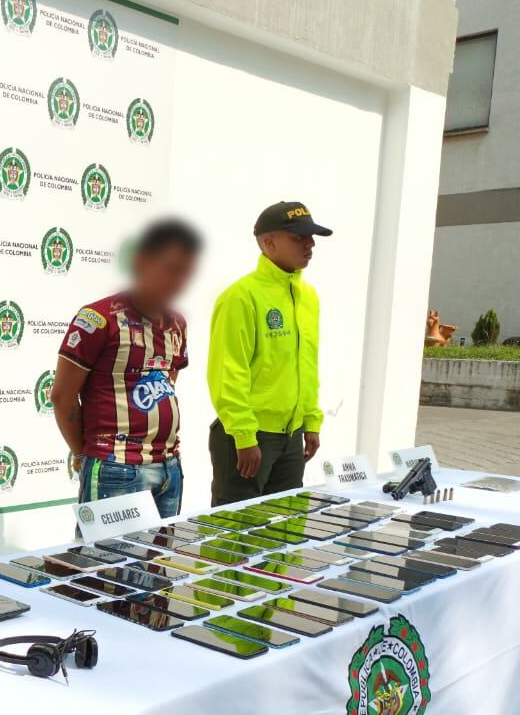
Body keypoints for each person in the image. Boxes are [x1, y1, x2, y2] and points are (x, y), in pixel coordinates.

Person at [51, 219, 201, 520]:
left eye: (184, 272)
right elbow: (62, 398)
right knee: (106, 564)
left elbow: (167, 383)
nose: (178, 281)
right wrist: (86, 454)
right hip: (115, 467)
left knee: (156, 564)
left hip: (170, 466)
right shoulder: (97, 318)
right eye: (170, 269)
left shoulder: (177, 323)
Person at [207, 200, 330, 505]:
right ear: (268, 242)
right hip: (250, 436)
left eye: (311, 237)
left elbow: (307, 365)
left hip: (291, 436)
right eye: (299, 237)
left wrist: (311, 421)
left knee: (287, 526)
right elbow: (229, 372)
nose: (310, 244)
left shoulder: (308, 297)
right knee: (234, 533)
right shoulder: (241, 296)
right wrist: (245, 437)